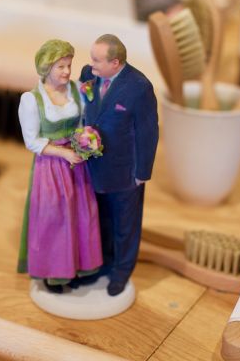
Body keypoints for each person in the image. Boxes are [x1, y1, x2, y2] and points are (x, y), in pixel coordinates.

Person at [17, 39, 102, 293]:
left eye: (68, 65)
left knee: (80, 213)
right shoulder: (31, 100)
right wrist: (64, 153)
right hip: (52, 168)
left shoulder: (75, 89)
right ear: (46, 68)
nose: (66, 71)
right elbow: (32, 142)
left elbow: (87, 117)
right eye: (60, 67)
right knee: (53, 217)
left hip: (77, 165)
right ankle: (53, 272)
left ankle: (76, 266)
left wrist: (86, 140)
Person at [79, 34, 159, 296]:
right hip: (94, 169)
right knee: (101, 221)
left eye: (97, 60)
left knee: (125, 226)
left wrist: (142, 173)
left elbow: (148, 132)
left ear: (115, 63)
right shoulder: (89, 74)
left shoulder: (139, 87)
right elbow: (87, 109)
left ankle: (121, 271)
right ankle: (102, 264)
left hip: (125, 173)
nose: (90, 64)